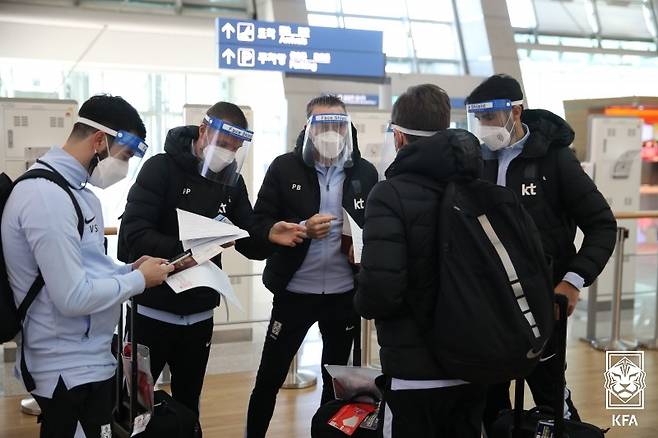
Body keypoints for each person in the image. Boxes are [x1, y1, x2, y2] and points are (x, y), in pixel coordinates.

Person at [118, 101, 304, 420]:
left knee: (189, 404)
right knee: (136, 405)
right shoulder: (161, 168)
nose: (228, 154)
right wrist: (188, 250)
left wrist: (271, 234)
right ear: (204, 132)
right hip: (152, 311)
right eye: (223, 144)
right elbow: (132, 237)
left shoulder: (231, 180)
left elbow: (248, 233)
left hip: (199, 313)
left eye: (235, 148)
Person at [1, 94, 173, 437]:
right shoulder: (44, 198)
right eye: (123, 156)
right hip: (64, 367)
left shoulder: (77, 192)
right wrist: (138, 281)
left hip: (91, 359)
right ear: (99, 141)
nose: (122, 167)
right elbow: (72, 297)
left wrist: (127, 270)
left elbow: (86, 268)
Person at [464, 74, 617, 433]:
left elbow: (601, 225)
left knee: (551, 397)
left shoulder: (555, 161)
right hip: (487, 306)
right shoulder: (472, 161)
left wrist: (572, 281)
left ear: (516, 111)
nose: (484, 127)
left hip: (543, 305)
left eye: (491, 117)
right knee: (488, 398)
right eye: (479, 119)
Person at [354, 84, 487, 438]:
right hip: (475, 363)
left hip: (415, 373)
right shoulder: (479, 186)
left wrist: (361, 287)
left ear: (398, 137)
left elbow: (380, 293)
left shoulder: (389, 194)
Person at [245, 95, 378, 438]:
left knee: (334, 384)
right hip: (293, 293)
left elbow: (376, 229)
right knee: (268, 378)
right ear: (307, 129)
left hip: (343, 296)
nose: (331, 132)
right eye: (322, 125)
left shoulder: (363, 172)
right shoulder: (284, 167)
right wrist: (298, 228)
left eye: (338, 125)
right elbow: (259, 223)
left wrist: (362, 247)